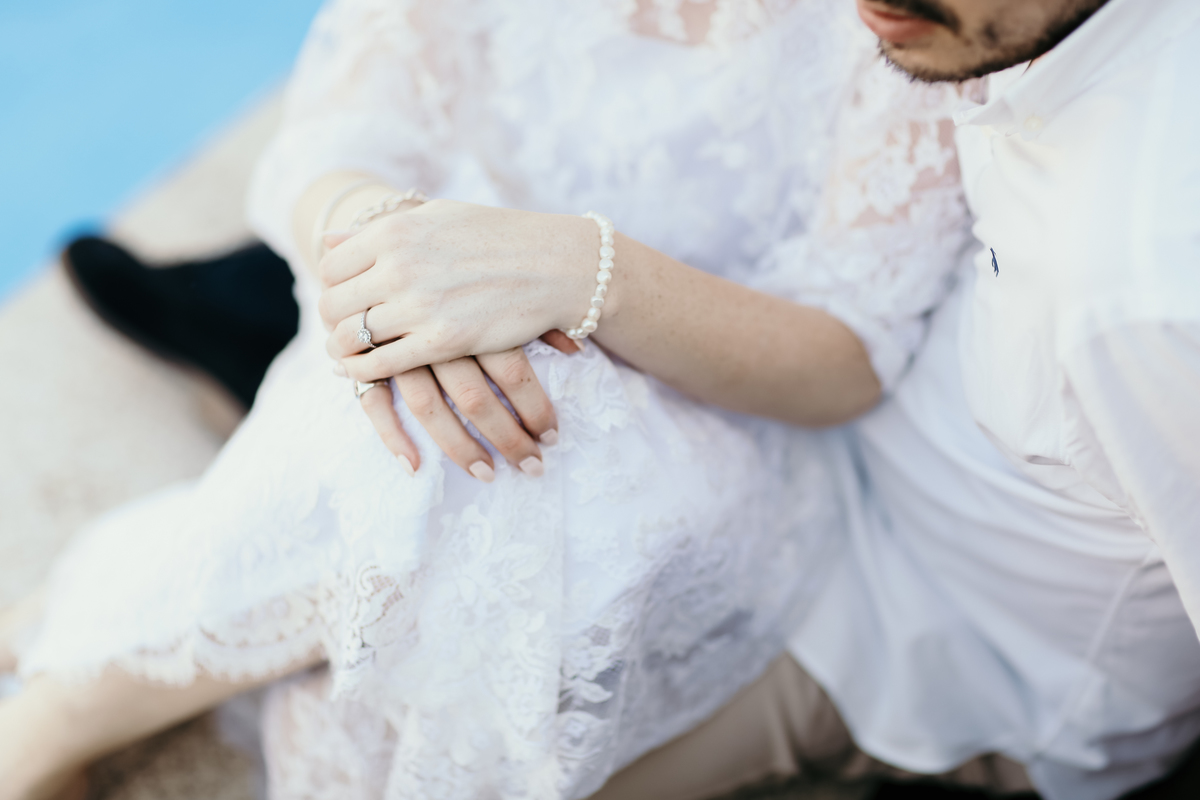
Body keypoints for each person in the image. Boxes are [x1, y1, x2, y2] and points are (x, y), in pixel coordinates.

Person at [0, 1, 973, 798]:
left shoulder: (906, 20)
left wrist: (583, 275)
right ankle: (69, 712)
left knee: (494, 438)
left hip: (724, 425)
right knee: (419, 421)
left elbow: (847, 355)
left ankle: (85, 674)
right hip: (434, 321)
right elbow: (334, 139)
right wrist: (391, 244)